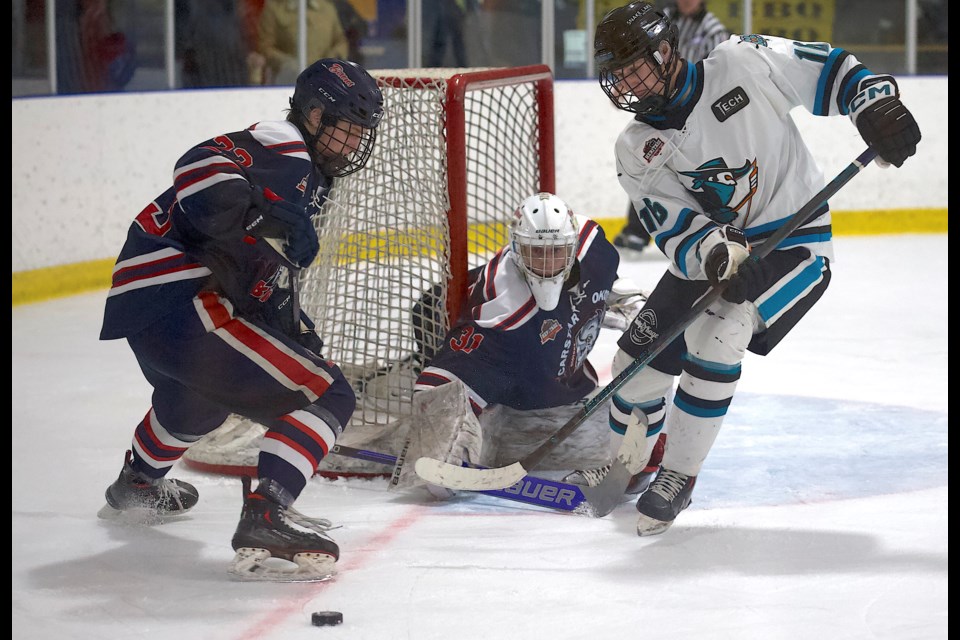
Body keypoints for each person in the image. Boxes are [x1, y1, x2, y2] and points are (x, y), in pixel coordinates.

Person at [570, 1, 920, 536]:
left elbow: (828, 68)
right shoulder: (636, 148)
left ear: (665, 53)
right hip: (719, 257)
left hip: (794, 243)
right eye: (616, 74)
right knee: (633, 363)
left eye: (634, 67)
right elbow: (675, 229)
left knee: (720, 332)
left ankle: (678, 476)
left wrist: (873, 103)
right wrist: (715, 253)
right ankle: (628, 463)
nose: (626, 84)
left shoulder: (741, 63)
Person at [97, 58, 384, 582]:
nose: (354, 143)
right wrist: (257, 213)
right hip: (183, 299)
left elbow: (255, 270)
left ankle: (138, 483)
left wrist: (293, 330)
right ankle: (268, 513)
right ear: (315, 116)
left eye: (363, 132)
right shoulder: (285, 145)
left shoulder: (305, 175)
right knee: (328, 394)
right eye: (348, 128)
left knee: (199, 403)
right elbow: (196, 166)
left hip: (151, 308)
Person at [392, 192, 655, 498]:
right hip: (449, 325)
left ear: (571, 247)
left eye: (556, 252)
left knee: (641, 410)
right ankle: (400, 379)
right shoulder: (505, 313)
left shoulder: (594, 247)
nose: (547, 264)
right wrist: (441, 439)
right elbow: (442, 381)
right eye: (535, 252)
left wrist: (619, 297)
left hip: (552, 376)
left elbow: (602, 276)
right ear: (515, 250)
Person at [612, 0, 731, 258]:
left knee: (698, 169)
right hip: (661, 101)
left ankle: (714, 226)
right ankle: (638, 229)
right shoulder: (661, 21)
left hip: (697, 107)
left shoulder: (714, 30)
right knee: (647, 164)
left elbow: (717, 73)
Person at [257, 0, 349, 85]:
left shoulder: (327, 8)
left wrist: (331, 60)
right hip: (288, 81)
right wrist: (287, 63)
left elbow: (340, 41)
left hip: (326, 79)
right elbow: (265, 46)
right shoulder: (275, 8)